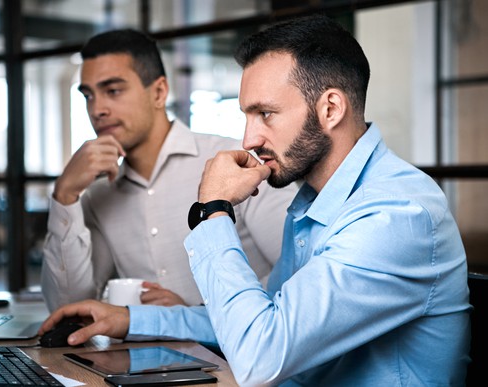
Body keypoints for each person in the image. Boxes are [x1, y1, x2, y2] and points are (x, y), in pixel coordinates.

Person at [40, 15, 471, 386]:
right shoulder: (312, 201)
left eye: (265, 114)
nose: (249, 139)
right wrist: (131, 320)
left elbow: (261, 353)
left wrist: (214, 211)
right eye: (246, 115)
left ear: (331, 108)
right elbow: (262, 318)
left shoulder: (395, 215)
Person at [41, 29, 297, 311]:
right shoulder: (97, 196)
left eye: (113, 91)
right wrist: (64, 194)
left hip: (239, 353)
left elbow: (298, 280)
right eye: (88, 96)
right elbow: (69, 307)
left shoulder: (238, 161)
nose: (97, 109)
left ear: (159, 92)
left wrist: (195, 313)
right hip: (142, 355)